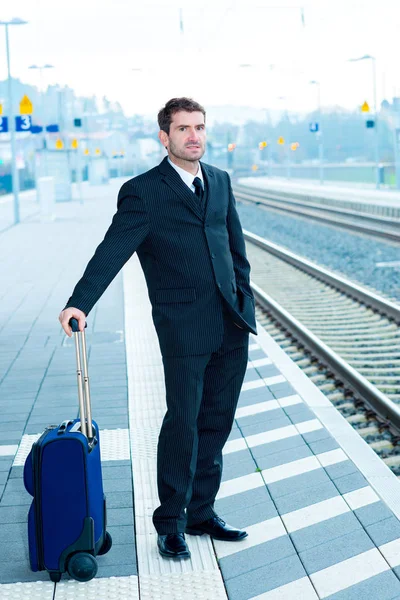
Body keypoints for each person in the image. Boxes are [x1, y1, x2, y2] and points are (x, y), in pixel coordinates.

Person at [59, 97, 257, 560]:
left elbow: (237, 252)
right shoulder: (143, 192)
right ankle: (171, 522)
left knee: (216, 423)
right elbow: (112, 251)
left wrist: (246, 302)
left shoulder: (221, 182)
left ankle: (202, 512)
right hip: (184, 328)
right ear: (164, 137)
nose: (195, 136)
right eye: (184, 128)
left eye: (200, 127)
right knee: (182, 425)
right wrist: (79, 303)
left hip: (231, 325)